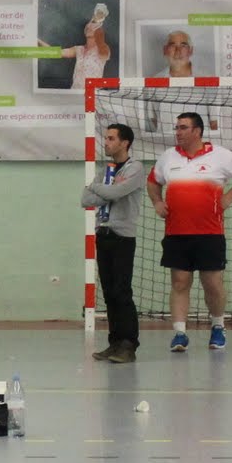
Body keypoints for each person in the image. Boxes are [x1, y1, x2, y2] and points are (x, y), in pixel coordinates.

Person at [148, 112, 232, 354]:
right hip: (176, 233)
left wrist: (229, 197)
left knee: (213, 284)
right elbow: (153, 181)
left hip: (210, 233)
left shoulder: (220, 155)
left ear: (197, 131)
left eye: (183, 127)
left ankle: (218, 327)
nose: (178, 132)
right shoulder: (168, 157)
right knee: (180, 282)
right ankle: (179, 333)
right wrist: (157, 202)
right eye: (177, 127)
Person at [83, 122, 144, 363]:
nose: (106, 143)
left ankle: (128, 344)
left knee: (121, 291)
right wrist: (101, 190)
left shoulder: (134, 168)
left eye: (111, 139)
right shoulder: (106, 170)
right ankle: (115, 342)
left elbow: (114, 193)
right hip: (104, 233)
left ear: (124, 143)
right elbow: (85, 199)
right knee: (108, 292)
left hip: (122, 237)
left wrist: (96, 188)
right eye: (106, 138)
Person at [42, 5, 111, 92]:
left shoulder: (103, 49)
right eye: (89, 25)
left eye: (94, 26)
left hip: (92, 95)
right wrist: (36, 40)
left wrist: (97, 19)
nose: (90, 26)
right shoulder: (78, 49)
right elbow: (55, 52)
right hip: (75, 92)